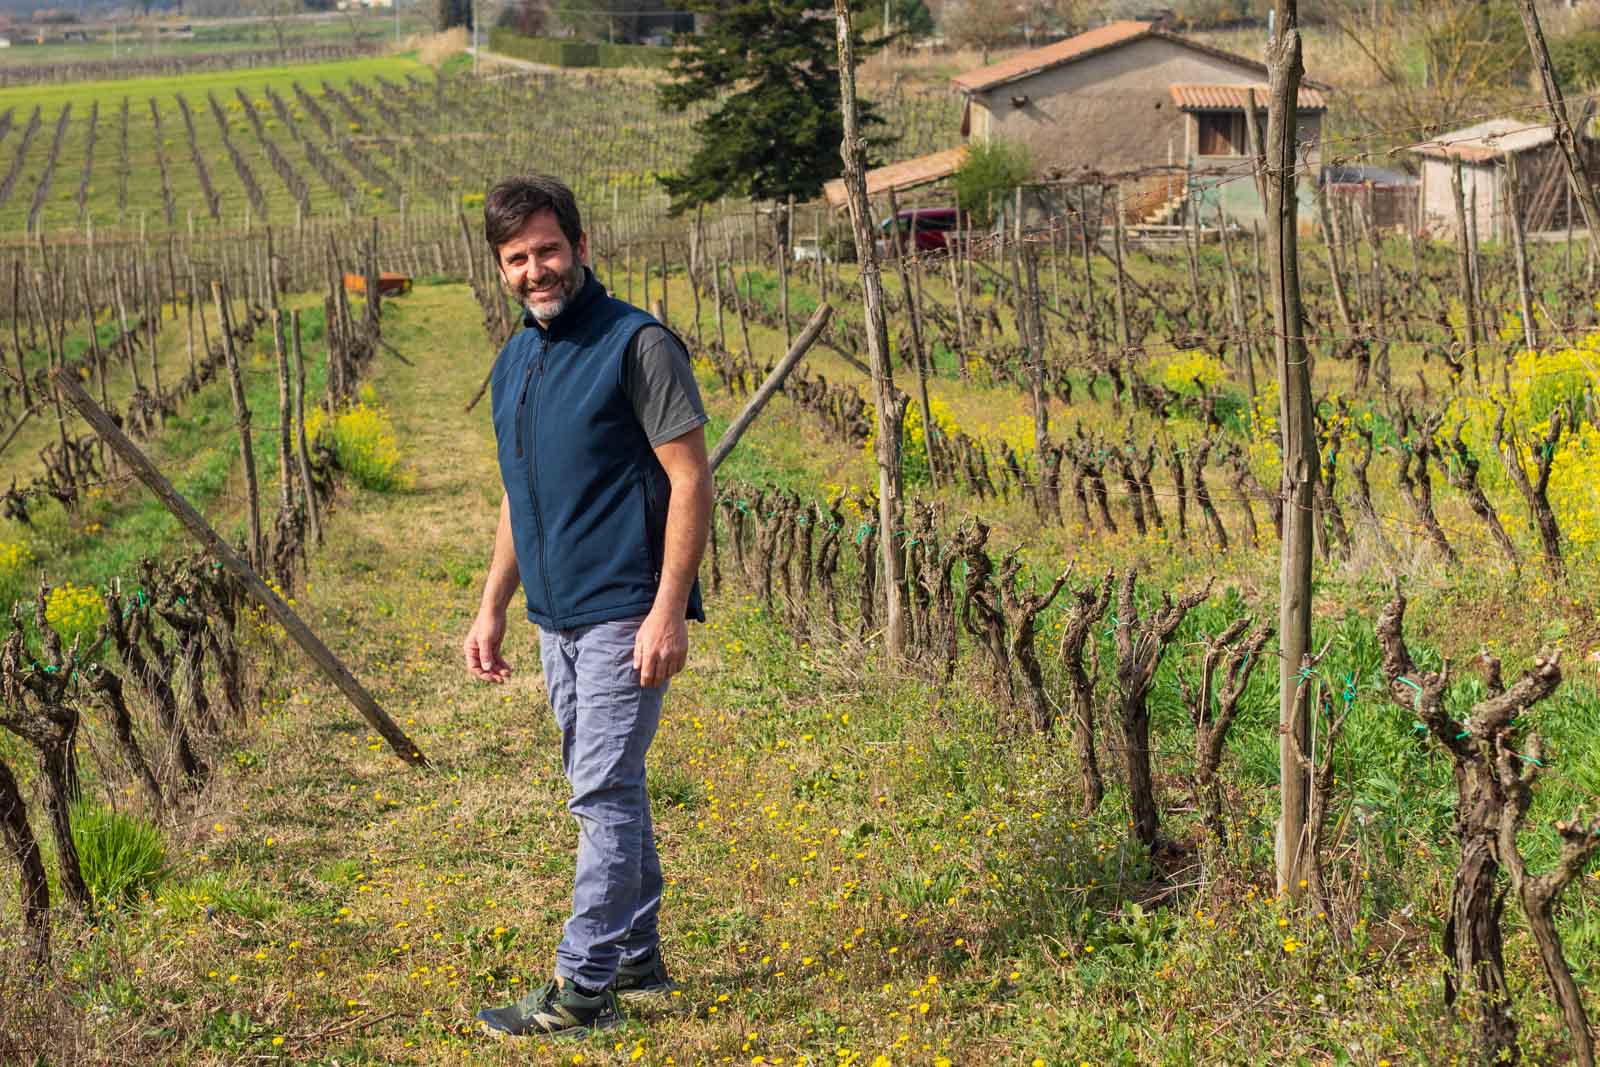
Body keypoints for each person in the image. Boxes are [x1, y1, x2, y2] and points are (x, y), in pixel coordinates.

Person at [463, 175, 712, 1038]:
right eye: (517, 257)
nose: (537, 269)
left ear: (579, 244)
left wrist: (667, 610)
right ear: (501, 266)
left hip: (624, 606)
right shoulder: (517, 359)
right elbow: (517, 490)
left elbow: (690, 478)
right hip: (554, 616)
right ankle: (638, 956)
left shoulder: (635, 344)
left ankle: (585, 984)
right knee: (607, 780)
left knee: (599, 791)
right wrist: (494, 603)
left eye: (548, 249)